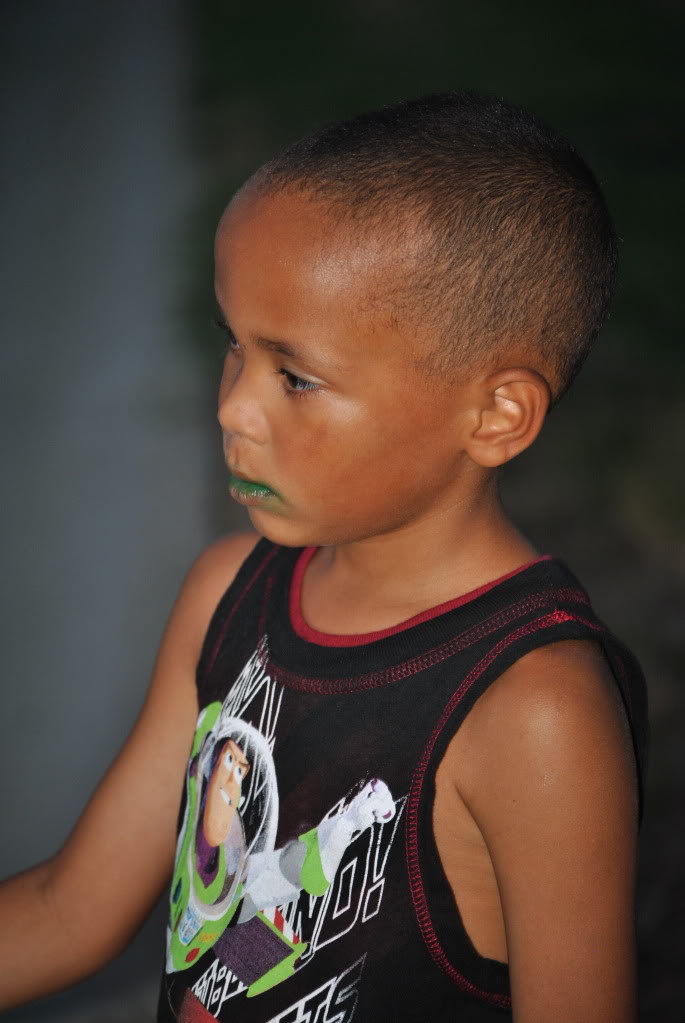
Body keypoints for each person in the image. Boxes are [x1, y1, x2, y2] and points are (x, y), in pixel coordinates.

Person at [0, 92, 647, 1022]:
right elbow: (72, 909)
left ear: (495, 415)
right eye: (235, 348)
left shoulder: (532, 709)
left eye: (294, 375)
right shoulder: (227, 593)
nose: (232, 410)